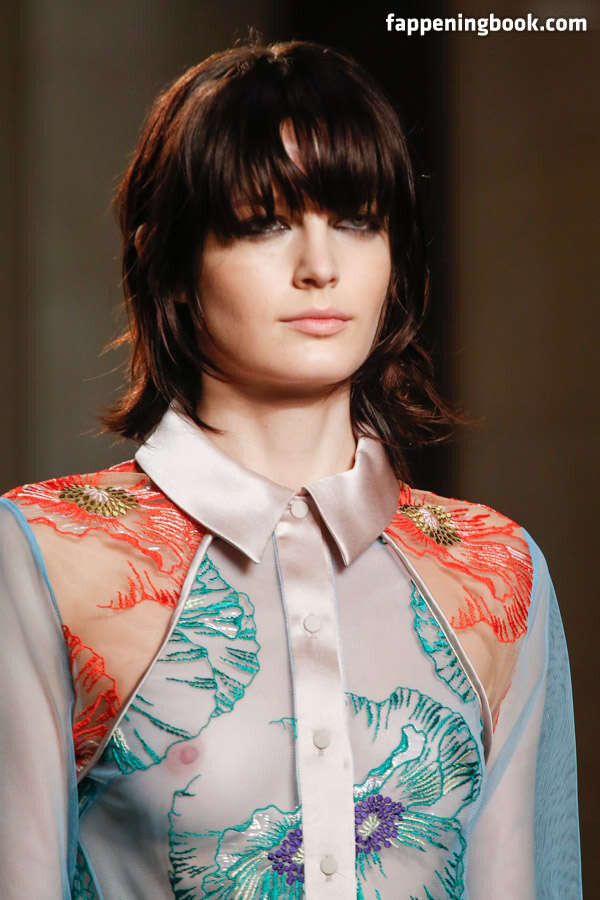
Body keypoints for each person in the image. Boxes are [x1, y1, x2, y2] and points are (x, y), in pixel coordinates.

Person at [0, 40, 581, 900]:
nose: (321, 267)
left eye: (358, 220)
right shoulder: (46, 555)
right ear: (173, 261)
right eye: (264, 223)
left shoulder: (495, 570)